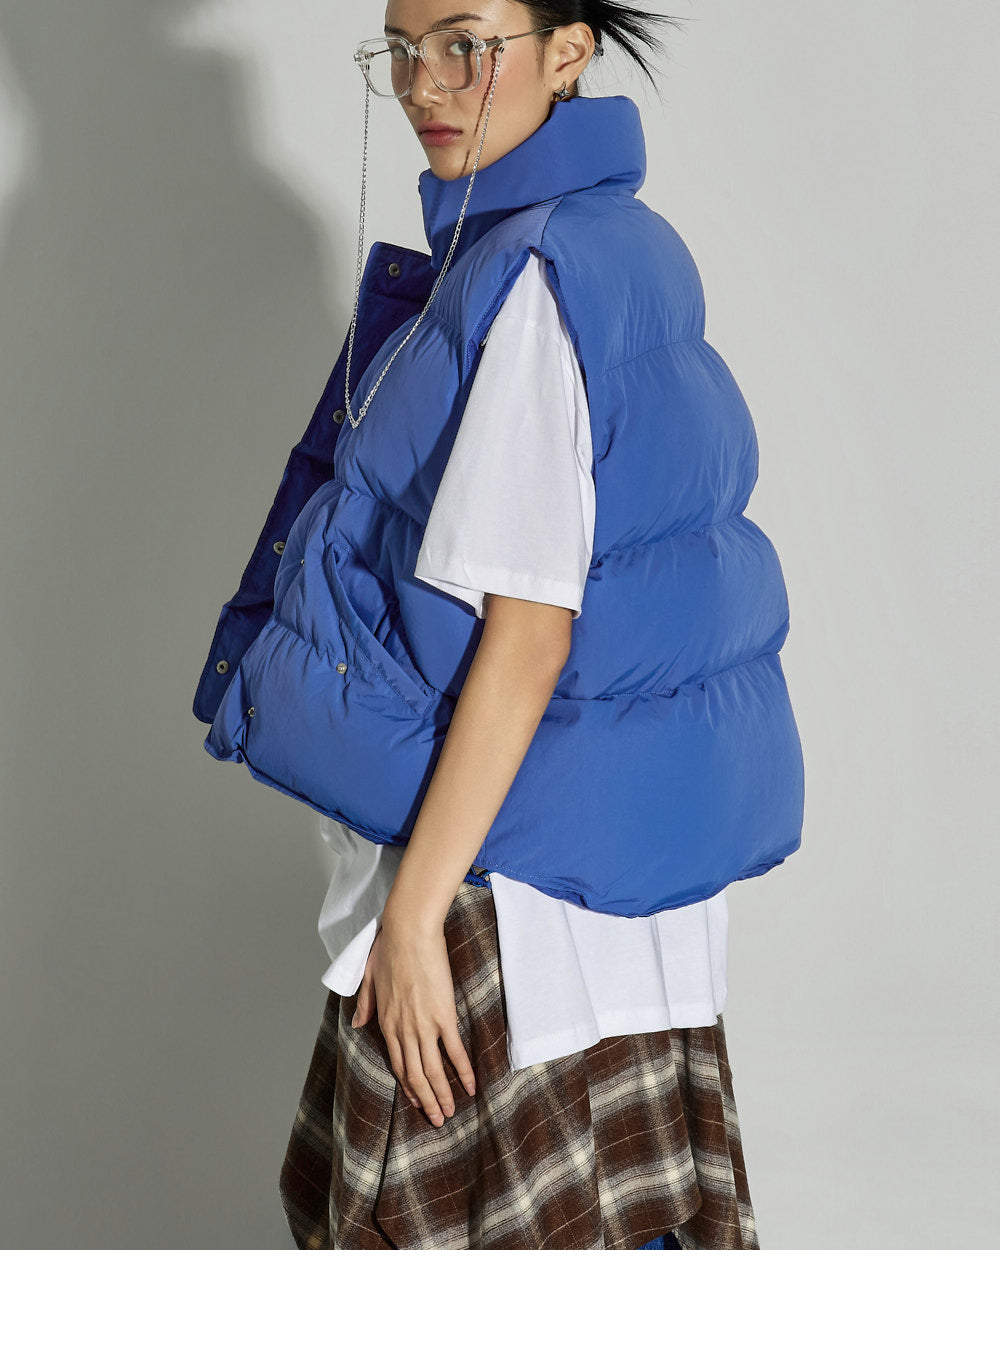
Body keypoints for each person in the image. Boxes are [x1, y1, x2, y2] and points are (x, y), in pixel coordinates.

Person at [194, 0, 805, 1250]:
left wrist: (414, 919)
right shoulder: (620, 244)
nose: (425, 83)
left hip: (503, 885)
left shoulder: (528, 280)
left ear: (567, 51)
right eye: (401, 48)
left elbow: (530, 635)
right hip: (611, 874)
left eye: (465, 46)